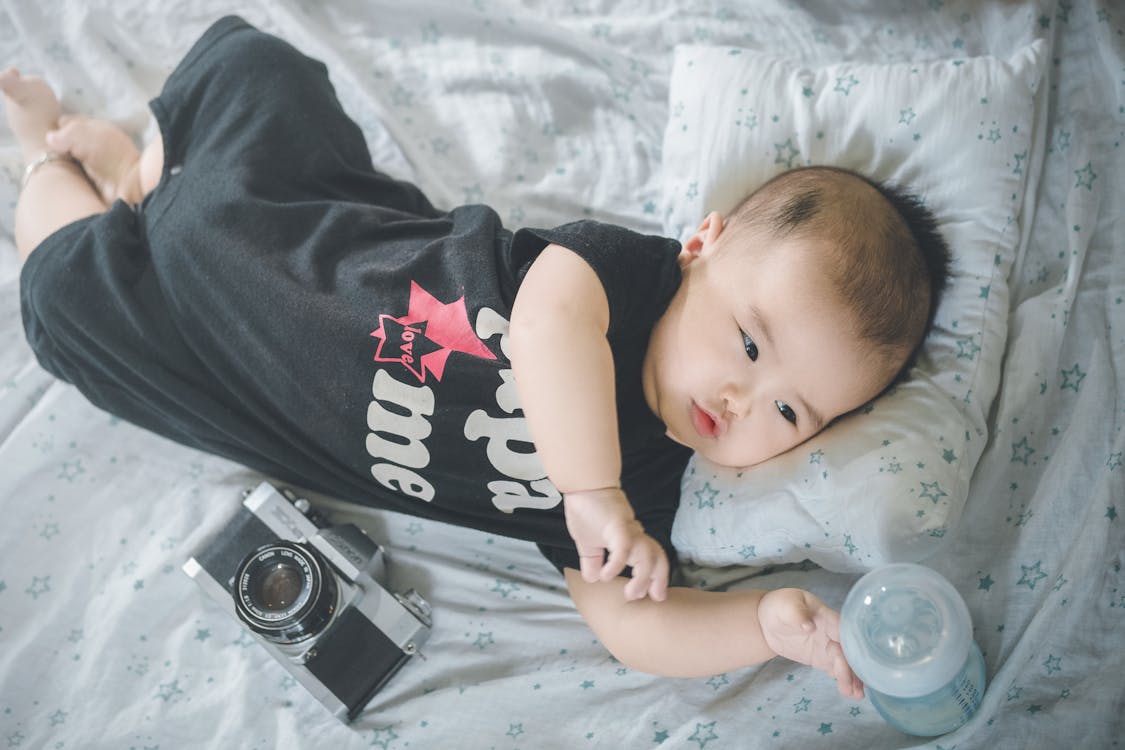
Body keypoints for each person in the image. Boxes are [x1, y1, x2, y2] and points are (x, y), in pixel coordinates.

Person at [2, 16, 950, 699]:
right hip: (307, 247)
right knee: (258, 75)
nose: (744, 400)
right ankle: (137, 170)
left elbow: (628, 625)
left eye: (792, 414)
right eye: (750, 343)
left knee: (66, 302)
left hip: (253, 378)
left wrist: (763, 626)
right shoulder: (624, 278)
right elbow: (544, 328)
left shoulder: (651, 485)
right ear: (700, 247)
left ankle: (50, 163)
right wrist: (589, 491)